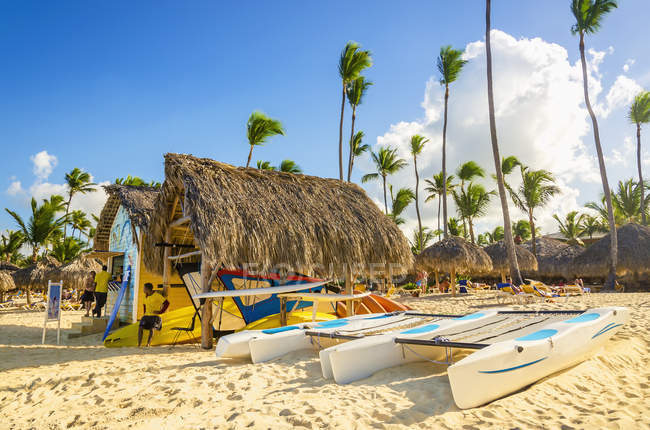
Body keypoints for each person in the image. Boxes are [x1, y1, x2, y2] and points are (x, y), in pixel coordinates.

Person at [138, 283, 169, 347]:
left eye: (144, 288)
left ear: (147, 289)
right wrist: (144, 314)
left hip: (155, 316)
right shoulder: (145, 296)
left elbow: (167, 303)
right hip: (146, 316)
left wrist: (160, 312)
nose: (143, 289)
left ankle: (148, 344)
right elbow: (144, 305)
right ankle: (139, 344)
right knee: (140, 327)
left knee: (151, 328)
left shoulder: (157, 295)